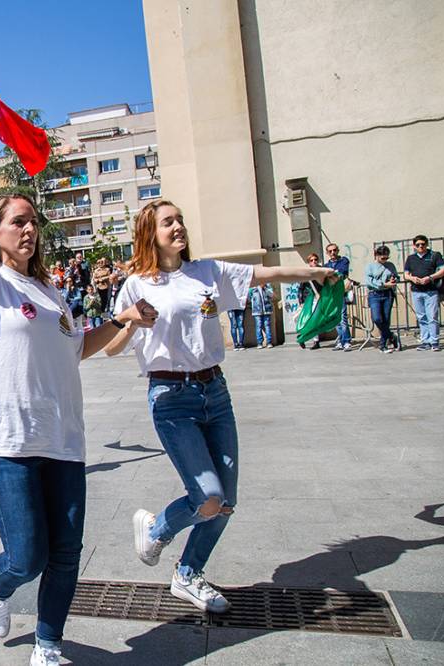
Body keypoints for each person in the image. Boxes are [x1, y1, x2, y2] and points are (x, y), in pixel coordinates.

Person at [0, 94, 158, 666]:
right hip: (3, 441)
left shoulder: (53, 293)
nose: (29, 228)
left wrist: (124, 320)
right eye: (18, 221)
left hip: (61, 438)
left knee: (66, 553)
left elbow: (75, 348)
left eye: (34, 221)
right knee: (27, 555)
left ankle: (48, 643)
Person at [104, 199, 336, 616]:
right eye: (168, 222)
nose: (178, 227)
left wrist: (312, 272)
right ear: (150, 233)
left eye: (180, 220)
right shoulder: (138, 284)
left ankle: (188, 573)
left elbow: (264, 274)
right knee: (208, 496)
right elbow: (111, 348)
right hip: (171, 398)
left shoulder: (206, 272)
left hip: (215, 392)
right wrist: (131, 320)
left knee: (225, 502)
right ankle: (156, 528)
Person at [404, 234, 444, 351]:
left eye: (423, 244)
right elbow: (406, 274)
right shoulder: (410, 258)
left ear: (426, 244)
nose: (420, 246)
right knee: (421, 317)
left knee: (432, 317)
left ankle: (434, 342)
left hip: (431, 291)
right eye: (418, 244)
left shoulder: (435, 255)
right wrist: (412, 278)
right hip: (416, 291)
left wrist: (430, 277)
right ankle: (425, 342)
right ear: (414, 246)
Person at [365, 246, 400, 354]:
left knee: (386, 319)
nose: (385, 260)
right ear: (376, 255)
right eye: (382, 258)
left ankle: (383, 345)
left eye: (386, 258)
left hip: (388, 294)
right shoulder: (370, 266)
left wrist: (394, 280)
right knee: (377, 318)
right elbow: (369, 281)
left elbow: (397, 277)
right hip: (375, 294)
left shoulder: (390, 265)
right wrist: (383, 284)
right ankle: (391, 335)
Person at [324, 243, 352, 351]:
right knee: (335, 320)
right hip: (331, 295)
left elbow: (342, 273)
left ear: (338, 250)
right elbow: (325, 278)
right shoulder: (326, 266)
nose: (333, 253)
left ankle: (347, 341)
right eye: (330, 251)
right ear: (327, 253)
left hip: (340, 293)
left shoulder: (343, 261)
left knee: (343, 318)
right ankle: (340, 340)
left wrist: (332, 275)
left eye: (334, 250)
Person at [297, 253, 324, 350]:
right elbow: (301, 288)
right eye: (311, 260)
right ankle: (302, 336)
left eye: (315, 259)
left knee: (314, 320)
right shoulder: (306, 273)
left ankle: (316, 341)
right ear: (308, 262)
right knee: (300, 319)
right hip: (307, 299)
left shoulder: (321, 271)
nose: (314, 262)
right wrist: (301, 301)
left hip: (317, 299)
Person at [249, 283, 274, 348]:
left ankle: (269, 342)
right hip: (256, 310)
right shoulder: (253, 286)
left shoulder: (267, 284)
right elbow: (249, 296)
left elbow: (271, 295)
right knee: (258, 326)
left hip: (266, 309)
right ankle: (259, 343)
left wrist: (264, 288)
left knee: (267, 325)